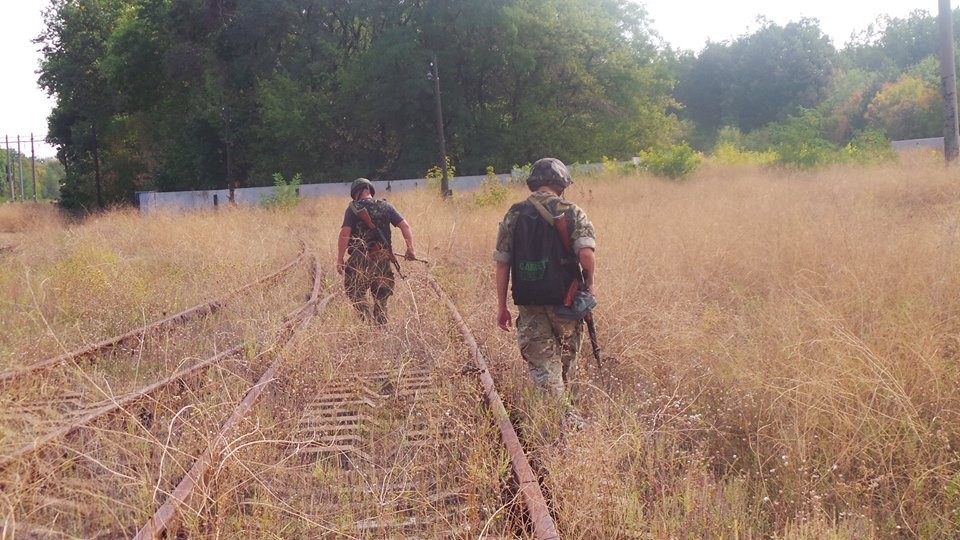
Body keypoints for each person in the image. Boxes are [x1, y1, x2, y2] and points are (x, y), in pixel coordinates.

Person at [493, 158, 596, 429]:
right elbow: (585, 254)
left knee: (544, 369)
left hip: (529, 304)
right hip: (567, 303)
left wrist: (501, 306)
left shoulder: (513, 214)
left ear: (533, 183)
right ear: (561, 183)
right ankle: (567, 422)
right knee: (564, 365)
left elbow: (502, 263)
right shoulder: (572, 211)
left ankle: (560, 422)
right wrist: (591, 285)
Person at [336, 178, 417, 324]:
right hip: (382, 259)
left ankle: (366, 321)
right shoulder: (386, 207)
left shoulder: (353, 208)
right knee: (381, 297)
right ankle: (380, 327)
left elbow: (345, 233)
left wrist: (340, 258)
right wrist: (410, 249)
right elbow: (405, 226)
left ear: (355, 193)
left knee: (355, 292)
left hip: (359, 259)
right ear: (369, 190)